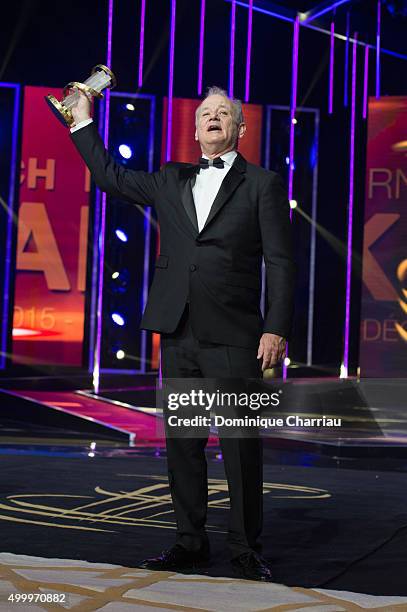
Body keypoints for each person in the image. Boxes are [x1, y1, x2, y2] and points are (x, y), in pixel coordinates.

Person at [69, 85, 296, 581]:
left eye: (223, 114)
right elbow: (110, 176)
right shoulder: (170, 178)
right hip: (178, 331)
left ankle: (244, 550)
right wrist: (82, 119)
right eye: (206, 114)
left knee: (240, 447)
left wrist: (275, 327)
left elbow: (280, 262)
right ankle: (190, 544)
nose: (213, 119)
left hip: (237, 333)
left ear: (240, 128)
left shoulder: (263, 184)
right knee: (183, 446)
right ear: (195, 131)